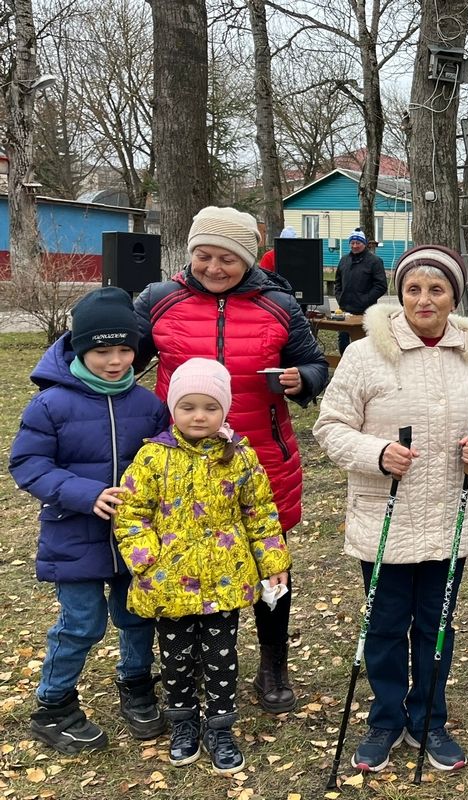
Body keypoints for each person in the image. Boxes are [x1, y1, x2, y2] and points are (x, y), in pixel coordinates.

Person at [313, 244, 468, 773]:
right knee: (384, 625)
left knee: (436, 627)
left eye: (436, 289)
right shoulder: (365, 353)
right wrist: (376, 453)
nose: (424, 299)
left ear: (454, 298)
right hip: (387, 516)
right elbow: (329, 427)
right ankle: (385, 720)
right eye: (414, 288)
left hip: (451, 513)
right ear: (400, 293)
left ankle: (429, 719)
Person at [134, 205, 328, 714]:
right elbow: (109, 354)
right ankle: (188, 665)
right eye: (204, 256)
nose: (214, 268)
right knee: (181, 563)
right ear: (189, 253)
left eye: (228, 259)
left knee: (272, 565)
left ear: (247, 260)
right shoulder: (158, 300)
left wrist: (302, 379)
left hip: (262, 459)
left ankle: (272, 665)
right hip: (177, 463)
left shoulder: (280, 303)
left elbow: (313, 363)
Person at [9, 288, 170, 754]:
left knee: (136, 615)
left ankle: (136, 685)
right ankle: (53, 705)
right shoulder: (51, 404)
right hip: (74, 535)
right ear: (81, 349)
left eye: (125, 350)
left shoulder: (147, 404)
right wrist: (86, 494)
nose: (116, 361)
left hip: (135, 539)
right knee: (82, 623)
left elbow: (165, 457)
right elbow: (28, 465)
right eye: (102, 351)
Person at [114, 358, 291, 774]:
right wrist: (145, 557)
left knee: (221, 656)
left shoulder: (240, 457)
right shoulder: (153, 457)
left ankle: (219, 726)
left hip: (224, 580)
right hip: (168, 581)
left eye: (210, 407)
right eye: (188, 406)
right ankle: (183, 724)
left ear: (224, 411)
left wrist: (273, 561)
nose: (199, 416)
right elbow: (131, 511)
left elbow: (260, 512)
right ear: (173, 409)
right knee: (175, 657)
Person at [334, 227, 388, 352]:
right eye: (352, 243)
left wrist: (366, 299)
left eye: (358, 243)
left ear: (364, 244)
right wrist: (340, 297)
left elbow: (381, 285)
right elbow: (338, 282)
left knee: (364, 345)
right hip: (345, 311)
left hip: (365, 312)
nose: (355, 246)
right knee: (343, 343)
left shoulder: (374, 261)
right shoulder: (344, 260)